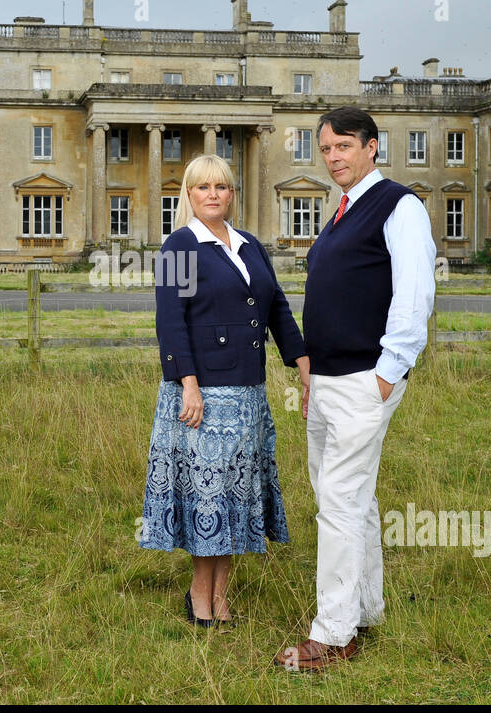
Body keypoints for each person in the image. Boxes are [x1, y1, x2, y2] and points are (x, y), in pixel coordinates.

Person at [273, 106, 436, 670]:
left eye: (344, 145)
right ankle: (366, 609)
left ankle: (334, 633)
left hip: (368, 378)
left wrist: (390, 370)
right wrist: (313, 375)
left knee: (339, 500)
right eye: (325, 148)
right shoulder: (341, 212)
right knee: (348, 498)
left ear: (371, 147)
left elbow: (415, 292)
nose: (333, 156)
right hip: (328, 380)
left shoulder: (399, 205)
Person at [140, 153, 310, 628]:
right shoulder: (179, 247)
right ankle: (199, 596)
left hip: (248, 392)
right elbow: (170, 321)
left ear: (232, 193)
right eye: (203, 187)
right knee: (206, 497)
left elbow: (277, 308)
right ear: (189, 195)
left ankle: (222, 595)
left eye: (222, 187)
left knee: (236, 494)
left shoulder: (250, 245)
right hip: (201, 393)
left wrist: (303, 363)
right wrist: (188, 384)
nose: (213, 194)